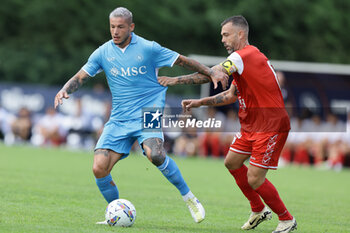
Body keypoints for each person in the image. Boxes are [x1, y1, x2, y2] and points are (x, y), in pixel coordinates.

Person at [54, 7, 228, 224]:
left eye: (120, 27)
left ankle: (189, 197)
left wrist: (211, 72)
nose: (115, 32)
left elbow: (182, 60)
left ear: (131, 27)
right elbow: (81, 76)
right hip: (119, 117)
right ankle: (114, 214)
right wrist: (65, 90)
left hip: (149, 110)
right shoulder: (103, 52)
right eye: (112, 27)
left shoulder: (148, 48)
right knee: (99, 167)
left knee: (154, 154)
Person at [159, 15, 297, 233]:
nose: (222, 39)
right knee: (232, 162)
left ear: (240, 34)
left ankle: (286, 219)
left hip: (270, 125)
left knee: (254, 178)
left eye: (226, 34)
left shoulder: (243, 56)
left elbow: (212, 73)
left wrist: (175, 80)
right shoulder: (243, 61)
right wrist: (199, 103)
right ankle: (258, 210)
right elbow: (231, 95)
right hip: (251, 126)